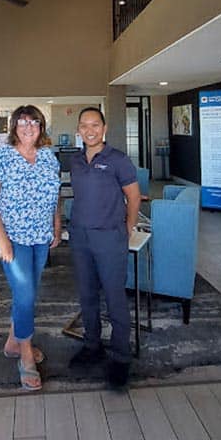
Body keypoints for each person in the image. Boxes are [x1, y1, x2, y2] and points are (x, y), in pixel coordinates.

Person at [0, 105, 62, 391]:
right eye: (23, 122)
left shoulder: (49, 158)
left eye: (35, 122)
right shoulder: (2, 156)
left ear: (41, 127)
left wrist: (56, 224)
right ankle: (26, 355)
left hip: (41, 236)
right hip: (12, 237)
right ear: (14, 126)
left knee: (27, 293)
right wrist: (1, 239)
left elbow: (55, 195)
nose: (29, 127)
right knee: (25, 294)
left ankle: (13, 342)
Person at [68, 107, 140, 388]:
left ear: (104, 128)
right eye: (84, 125)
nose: (90, 130)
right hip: (80, 237)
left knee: (115, 299)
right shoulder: (74, 160)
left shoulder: (118, 160)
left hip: (110, 238)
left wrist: (127, 228)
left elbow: (133, 198)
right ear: (78, 130)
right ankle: (92, 346)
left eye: (95, 124)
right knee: (87, 297)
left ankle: (121, 358)